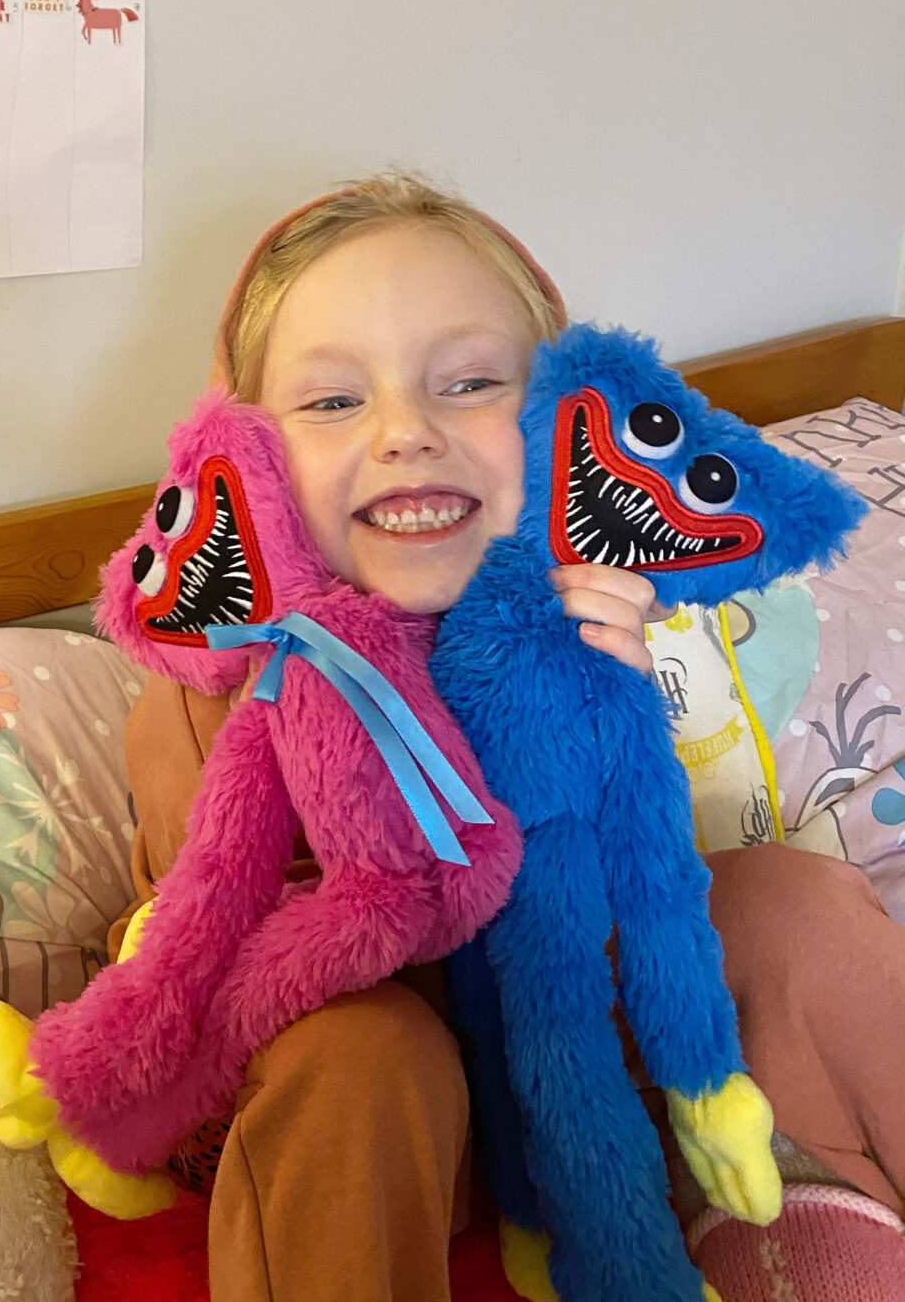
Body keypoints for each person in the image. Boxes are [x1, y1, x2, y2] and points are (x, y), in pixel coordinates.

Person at [111, 175, 905, 1301]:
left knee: (790, 902)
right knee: (357, 1056)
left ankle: (782, 1217)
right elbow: (212, 974)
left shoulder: (610, 610)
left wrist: (620, 693)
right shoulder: (210, 697)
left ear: (555, 422)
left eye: (471, 383)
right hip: (377, 1111)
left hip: (600, 1079)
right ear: (247, 459)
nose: (407, 432)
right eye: (333, 403)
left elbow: (656, 883)